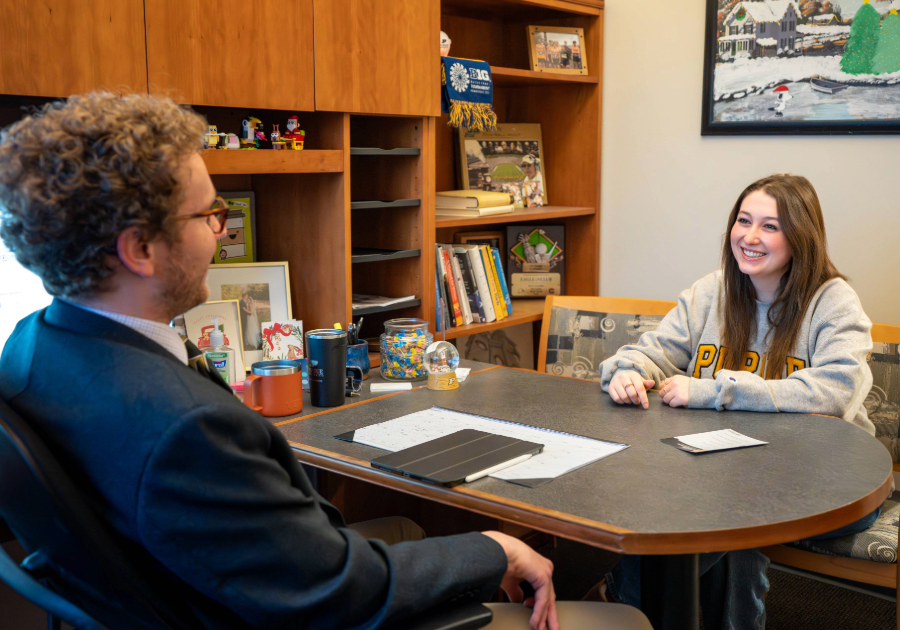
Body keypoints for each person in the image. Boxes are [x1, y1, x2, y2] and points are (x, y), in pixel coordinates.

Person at [0, 92, 570, 630]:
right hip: (292, 602)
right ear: (140, 250)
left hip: (225, 583)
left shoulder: (32, 348)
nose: (222, 234)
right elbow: (333, 593)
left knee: (407, 529)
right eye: (209, 215)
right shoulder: (187, 430)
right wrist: (493, 549)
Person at [595, 174, 879, 629]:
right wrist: (627, 371)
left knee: (725, 516)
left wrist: (714, 389)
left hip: (830, 483)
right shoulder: (712, 291)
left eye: (770, 226)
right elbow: (652, 352)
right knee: (728, 526)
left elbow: (835, 391)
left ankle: (622, 602)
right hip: (730, 477)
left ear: (800, 238)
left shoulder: (834, 302)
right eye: (743, 221)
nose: (750, 237)